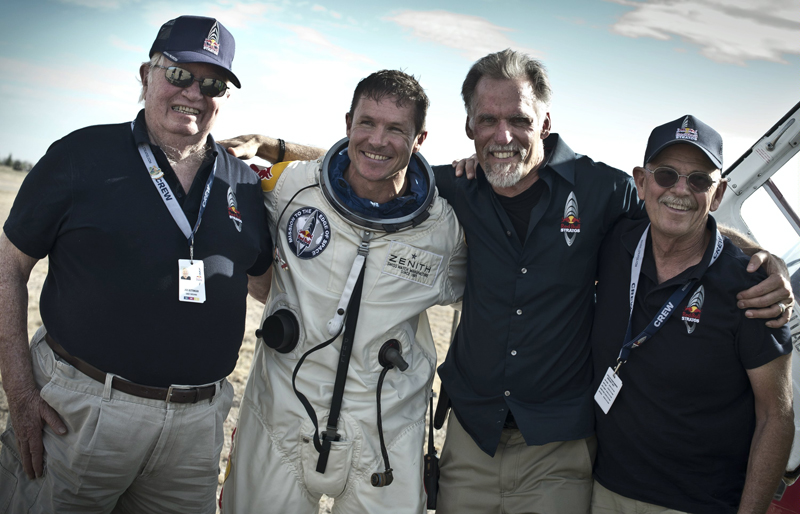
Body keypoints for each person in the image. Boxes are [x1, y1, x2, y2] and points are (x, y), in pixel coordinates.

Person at [220, 49, 793, 513]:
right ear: (469, 126)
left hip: (558, 445)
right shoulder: (454, 188)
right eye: (488, 120)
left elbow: (679, 216)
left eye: (519, 119)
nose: (504, 134)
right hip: (471, 434)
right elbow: (377, 163)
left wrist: (757, 255)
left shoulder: (602, 190)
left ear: (545, 121)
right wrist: (276, 146)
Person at [0, 15, 307, 514]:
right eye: (180, 74)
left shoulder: (245, 183)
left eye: (213, 84)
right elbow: (8, 267)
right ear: (146, 75)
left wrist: (278, 151)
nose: (194, 93)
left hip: (196, 429)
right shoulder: (81, 154)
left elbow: (263, 282)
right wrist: (18, 391)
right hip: (80, 414)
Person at [219, 70, 467, 514]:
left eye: (396, 129)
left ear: (420, 139)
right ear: (348, 122)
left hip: (385, 435)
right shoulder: (290, 187)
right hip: (280, 418)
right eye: (366, 123)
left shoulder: (444, 230)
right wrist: (270, 144)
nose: (378, 139)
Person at [590, 115, 793, 514]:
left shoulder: (751, 288)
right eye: (666, 175)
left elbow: (777, 416)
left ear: (717, 195)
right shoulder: (615, 242)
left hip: (699, 503)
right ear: (641, 182)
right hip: (603, 490)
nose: (680, 190)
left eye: (699, 180)